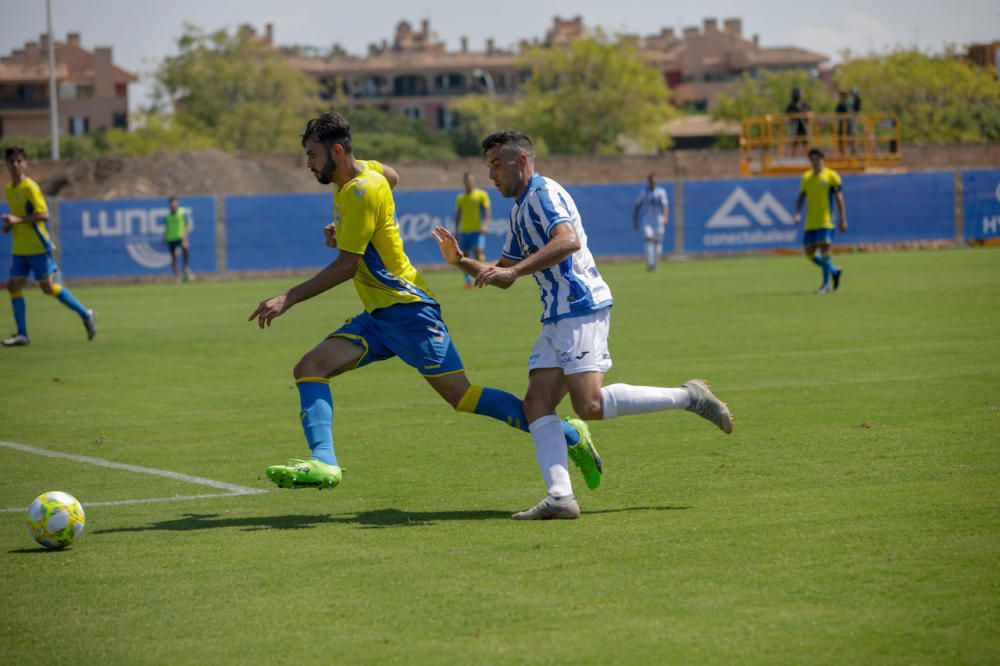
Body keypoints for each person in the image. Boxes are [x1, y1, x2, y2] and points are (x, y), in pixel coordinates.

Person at [247, 112, 601, 493]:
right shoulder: (357, 173)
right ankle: (325, 462)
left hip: (410, 311)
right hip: (380, 316)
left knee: (462, 396)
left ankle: (568, 433)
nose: (309, 164)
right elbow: (394, 175)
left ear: (337, 150)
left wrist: (289, 297)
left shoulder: (362, 190)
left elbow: (348, 265)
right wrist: (354, 229)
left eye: (313, 154)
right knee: (310, 367)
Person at [431, 129, 734, 521]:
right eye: (487, 166)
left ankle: (688, 396)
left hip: (579, 306)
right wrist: (460, 262)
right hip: (556, 315)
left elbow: (568, 240)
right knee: (536, 403)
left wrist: (516, 271)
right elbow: (502, 271)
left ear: (521, 161)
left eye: (496, 165)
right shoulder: (520, 208)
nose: (491, 175)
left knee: (588, 405)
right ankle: (560, 497)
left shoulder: (543, 194)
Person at [2, 146, 96, 347]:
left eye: (20, 161)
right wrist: (11, 225)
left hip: (37, 247)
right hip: (20, 248)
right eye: (12, 161)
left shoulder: (31, 187)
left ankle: (85, 313)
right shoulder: (10, 189)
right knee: (13, 286)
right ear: (6, 164)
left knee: (47, 288)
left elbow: (44, 215)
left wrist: (17, 220)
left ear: (25, 164)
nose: (16, 165)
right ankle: (22, 334)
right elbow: (20, 216)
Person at [793, 148, 847, 294]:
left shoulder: (831, 176)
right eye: (812, 159)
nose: (815, 162)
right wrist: (797, 213)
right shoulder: (807, 177)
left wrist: (843, 219)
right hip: (810, 222)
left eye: (817, 159)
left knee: (824, 252)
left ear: (823, 159)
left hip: (826, 221)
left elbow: (839, 198)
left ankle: (825, 285)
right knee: (809, 253)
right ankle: (834, 270)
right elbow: (801, 197)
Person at [454, 172, 491, 288]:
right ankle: (468, 280)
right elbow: (458, 215)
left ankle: (483, 275)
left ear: (474, 181)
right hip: (464, 231)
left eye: (471, 180)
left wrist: (485, 224)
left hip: (477, 230)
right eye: (467, 180)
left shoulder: (481, 195)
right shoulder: (461, 198)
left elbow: (487, 211)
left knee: (478, 250)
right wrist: (456, 231)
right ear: (464, 182)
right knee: (464, 257)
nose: (469, 182)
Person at [632, 173, 669, 272]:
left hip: (658, 220)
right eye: (651, 180)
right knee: (649, 240)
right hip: (647, 221)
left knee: (657, 242)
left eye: (654, 180)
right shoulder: (643, 192)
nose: (653, 182)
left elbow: (665, 205)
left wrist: (665, 217)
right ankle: (650, 264)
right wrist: (635, 220)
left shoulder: (661, 192)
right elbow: (637, 206)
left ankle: (655, 265)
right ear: (649, 181)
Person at [164, 195, 194, 282]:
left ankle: (186, 268)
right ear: (169, 204)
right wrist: (164, 238)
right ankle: (177, 276)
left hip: (180, 237)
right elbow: (166, 227)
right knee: (173, 258)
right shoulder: (167, 215)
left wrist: (185, 236)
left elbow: (186, 224)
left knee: (185, 249)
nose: (173, 204)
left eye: (175, 202)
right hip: (171, 238)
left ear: (177, 202)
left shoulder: (182, 212)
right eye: (171, 202)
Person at [785, 87, 811, 157]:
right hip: (794, 128)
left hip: (803, 127)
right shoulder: (791, 106)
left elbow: (810, 114)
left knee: (805, 143)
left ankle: (808, 157)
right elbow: (787, 115)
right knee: (794, 144)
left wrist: (803, 113)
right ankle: (792, 158)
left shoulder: (804, 105)